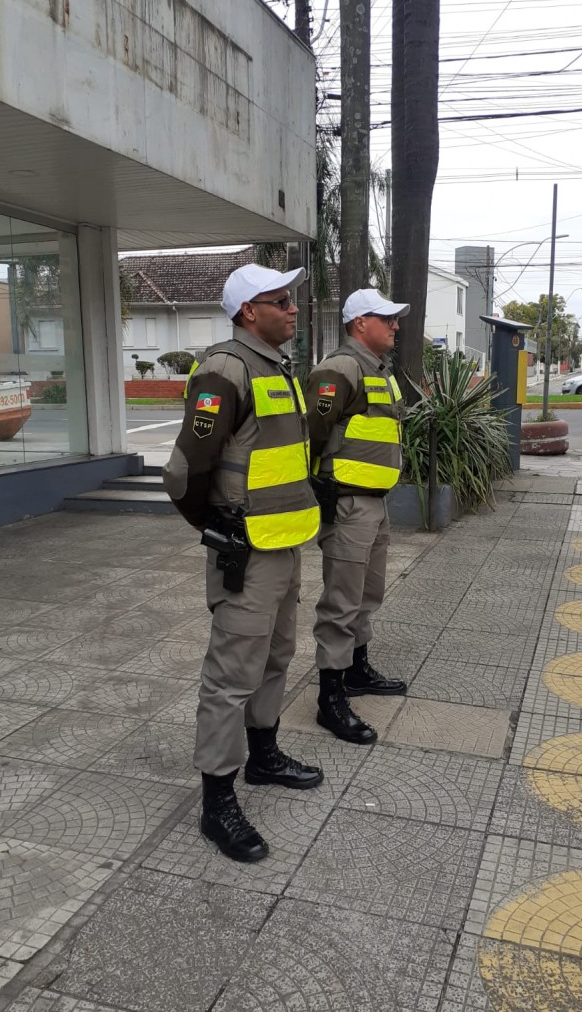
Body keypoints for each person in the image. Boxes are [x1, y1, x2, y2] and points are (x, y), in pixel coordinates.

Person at [163, 263, 323, 864]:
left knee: (277, 657)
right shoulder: (225, 369)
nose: (293, 309)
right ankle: (217, 802)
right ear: (249, 312)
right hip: (247, 552)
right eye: (281, 301)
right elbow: (182, 472)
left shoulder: (279, 368)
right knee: (230, 676)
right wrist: (214, 527)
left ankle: (264, 757)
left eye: (292, 300)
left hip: (283, 544)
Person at [304, 288, 409, 745]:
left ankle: (356, 670)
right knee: (341, 601)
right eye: (386, 318)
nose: (395, 326)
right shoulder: (339, 368)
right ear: (359, 323)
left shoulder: (380, 372)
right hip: (346, 502)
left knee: (368, 592)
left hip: (374, 500)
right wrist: (317, 488)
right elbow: (311, 431)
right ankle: (330, 698)